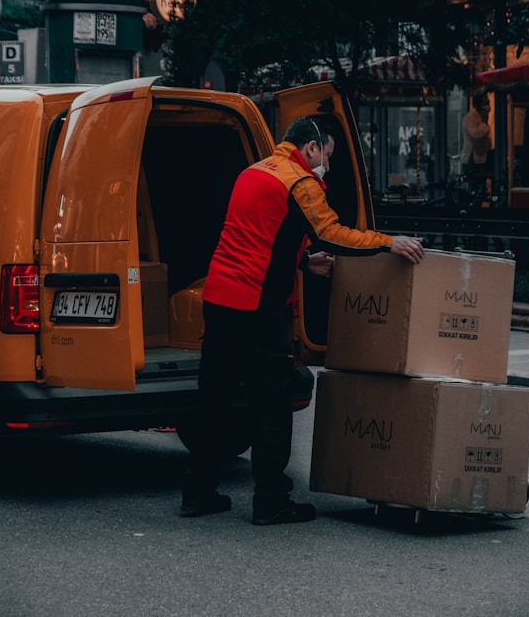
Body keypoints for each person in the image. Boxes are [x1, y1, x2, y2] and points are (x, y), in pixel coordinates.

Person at [181, 116, 424, 526]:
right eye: (327, 154)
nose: (326, 163)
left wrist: (305, 262)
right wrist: (388, 241)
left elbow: (258, 235)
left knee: (214, 399)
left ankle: (198, 492)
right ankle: (271, 501)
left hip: (220, 297)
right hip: (258, 307)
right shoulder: (299, 180)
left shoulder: (253, 171)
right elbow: (331, 233)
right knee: (270, 403)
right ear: (310, 148)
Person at [461, 93, 493, 179]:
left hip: (481, 158)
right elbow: (475, 134)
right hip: (472, 158)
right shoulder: (470, 118)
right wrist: (485, 126)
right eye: (486, 103)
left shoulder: (482, 118)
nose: (488, 107)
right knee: (475, 183)